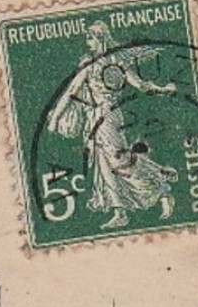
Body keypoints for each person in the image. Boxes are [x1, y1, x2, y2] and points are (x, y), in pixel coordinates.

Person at [45, 22, 180, 228]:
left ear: (99, 39)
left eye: (90, 38)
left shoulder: (93, 63)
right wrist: (162, 89)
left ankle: (160, 188)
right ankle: (120, 211)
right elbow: (143, 86)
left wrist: (55, 119)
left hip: (104, 117)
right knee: (105, 164)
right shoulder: (118, 63)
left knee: (118, 162)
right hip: (106, 116)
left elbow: (71, 91)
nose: (87, 43)